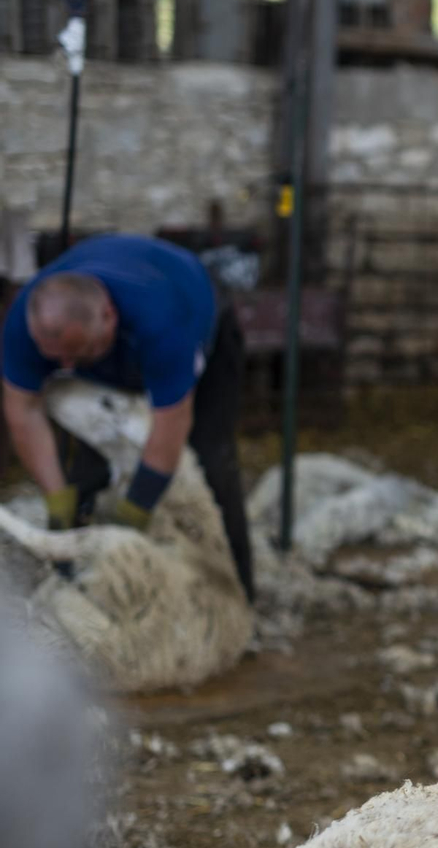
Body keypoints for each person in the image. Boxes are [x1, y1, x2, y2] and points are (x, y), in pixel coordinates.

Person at [1, 233, 254, 599]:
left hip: (191, 312)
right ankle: (85, 581)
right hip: (112, 350)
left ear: (108, 316)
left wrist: (134, 516)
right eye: (55, 358)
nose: (65, 364)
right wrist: (56, 501)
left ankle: (238, 595)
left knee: (212, 462)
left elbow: (172, 423)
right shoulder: (26, 326)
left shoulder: (164, 322)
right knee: (90, 470)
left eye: (77, 351)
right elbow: (22, 410)